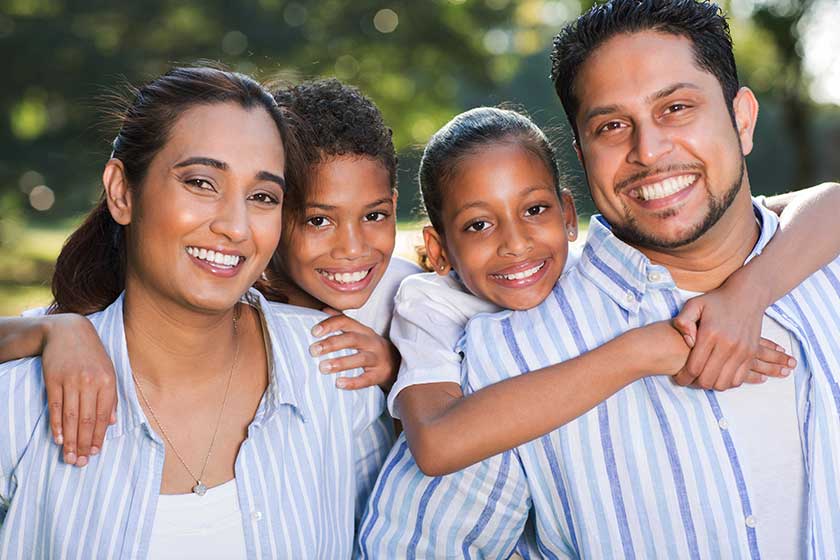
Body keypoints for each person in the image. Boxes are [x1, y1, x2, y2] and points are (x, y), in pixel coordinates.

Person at [359, 1, 840, 558]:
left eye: (677, 108)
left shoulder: (823, 266)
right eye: (612, 125)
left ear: (743, 119)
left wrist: (751, 291)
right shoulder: (503, 358)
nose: (649, 151)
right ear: (582, 153)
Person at [0, 66, 392, 558]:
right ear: (122, 191)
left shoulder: (335, 369)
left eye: (263, 196)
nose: (235, 226)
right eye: (202, 183)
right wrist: (45, 331)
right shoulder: (21, 400)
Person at [386, 106, 802, 478]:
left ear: (568, 215)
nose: (515, 243)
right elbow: (436, 446)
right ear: (439, 250)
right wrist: (642, 353)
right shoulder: (430, 305)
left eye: (534, 210)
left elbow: (827, 204)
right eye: (478, 225)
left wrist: (746, 293)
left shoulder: (596, 267)